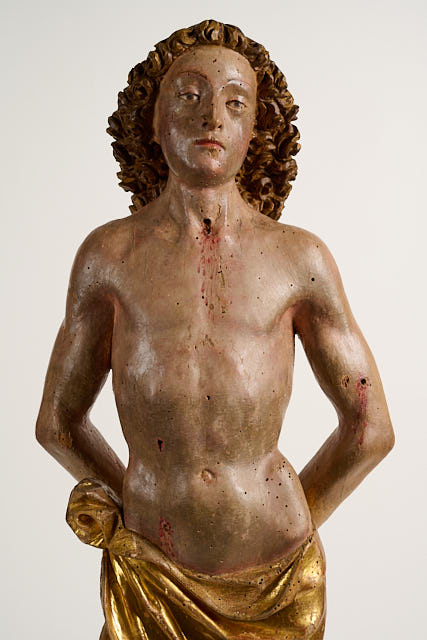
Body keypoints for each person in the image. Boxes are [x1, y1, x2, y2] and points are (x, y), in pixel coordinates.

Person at [36, 19, 394, 640]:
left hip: (279, 576)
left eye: (235, 102)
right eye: (189, 95)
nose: (212, 118)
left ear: (257, 128)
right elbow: (58, 423)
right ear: (152, 119)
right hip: (150, 573)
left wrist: (295, 520)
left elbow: (370, 427)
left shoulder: (299, 260)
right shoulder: (109, 258)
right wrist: (128, 503)